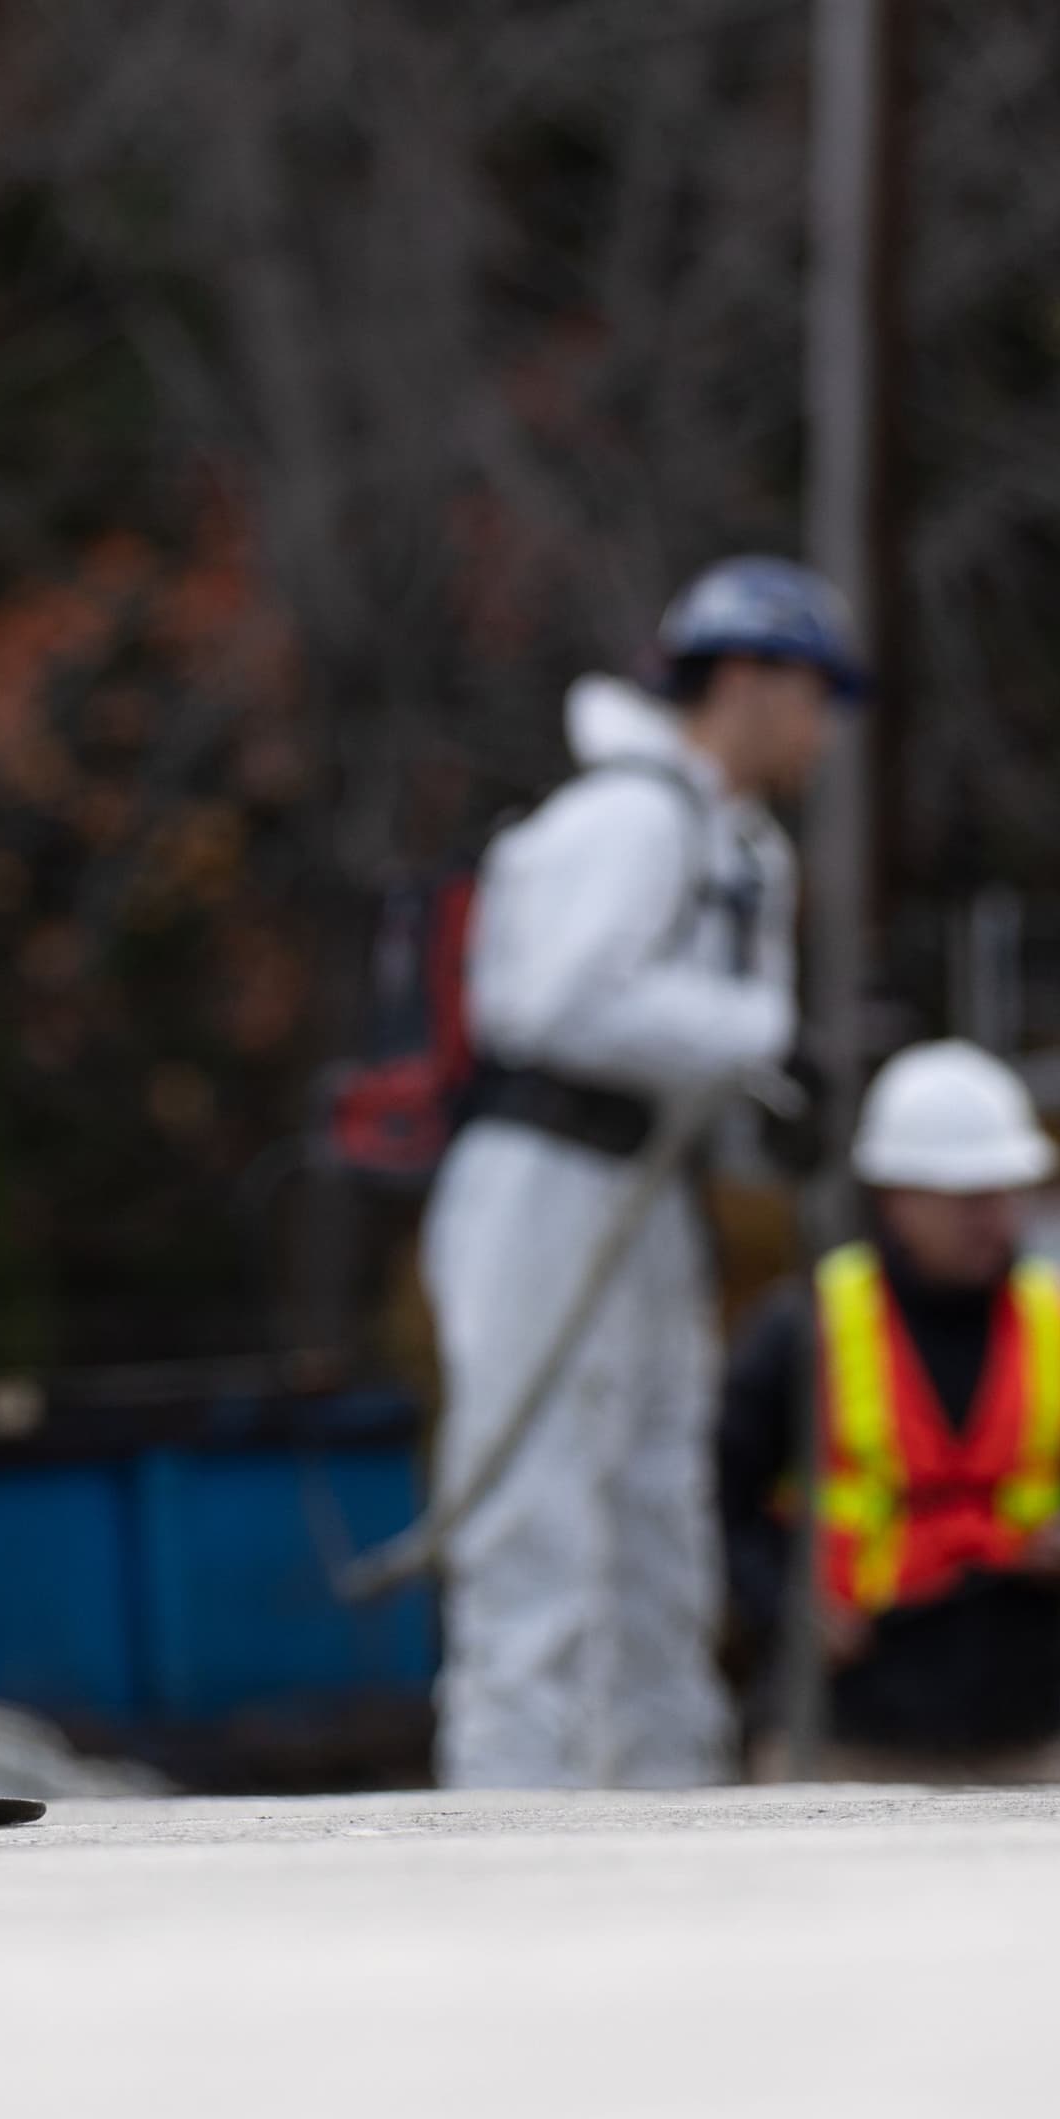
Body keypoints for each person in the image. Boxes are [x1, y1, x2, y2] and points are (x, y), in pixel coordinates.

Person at [419, 556, 837, 1787]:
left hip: (644, 1198)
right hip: (545, 1186)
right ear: (749, 679)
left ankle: (665, 1818)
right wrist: (765, 1044)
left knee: (660, 1522)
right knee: (537, 1525)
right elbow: (563, 999)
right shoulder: (635, 818)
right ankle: (509, 1833)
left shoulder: (735, 844)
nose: (824, 727)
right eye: (815, 691)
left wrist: (780, 1097)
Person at [715, 1042, 1060, 1784]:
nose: (995, 1218)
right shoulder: (806, 1329)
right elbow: (724, 1503)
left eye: (1007, 1192)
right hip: (845, 1735)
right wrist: (787, 1608)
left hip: (1019, 1734)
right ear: (897, 1198)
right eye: (968, 1197)